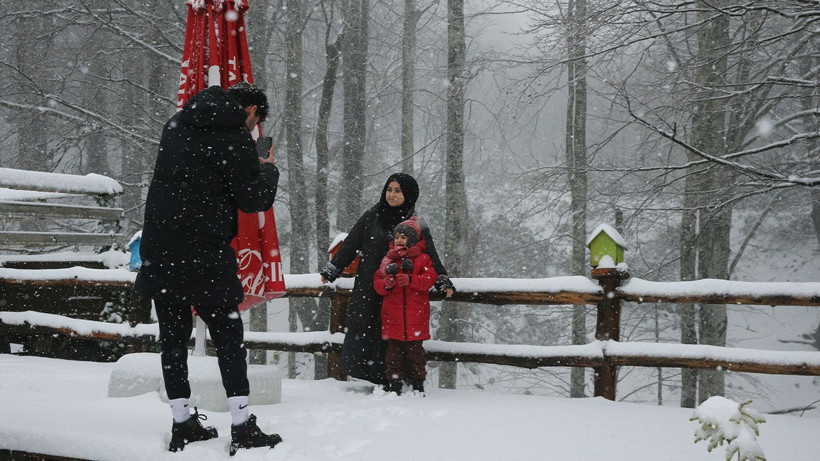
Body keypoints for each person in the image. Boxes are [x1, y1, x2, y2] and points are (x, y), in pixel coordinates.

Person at [134, 82, 282, 455]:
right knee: (229, 338)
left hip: (161, 248)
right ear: (250, 110)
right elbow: (253, 200)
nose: (254, 131)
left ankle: (181, 423)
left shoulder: (177, 123)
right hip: (205, 254)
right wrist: (266, 168)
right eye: (256, 123)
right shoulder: (234, 136)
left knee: (172, 339)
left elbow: (186, 182)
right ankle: (241, 425)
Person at [319, 172, 455, 385]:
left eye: (398, 191)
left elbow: (430, 254)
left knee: (394, 335)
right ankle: (371, 376)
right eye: (389, 190)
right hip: (370, 285)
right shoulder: (373, 215)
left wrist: (442, 280)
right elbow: (351, 244)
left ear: (409, 194)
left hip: (400, 291)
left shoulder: (416, 223)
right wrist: (332, 269)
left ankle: (394, 378)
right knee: (367, 329)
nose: (392, 195)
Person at [374, 217, 437, 395]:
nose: (399, 239)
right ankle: (395, 384)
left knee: (416, 355)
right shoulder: (387, 261)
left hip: (415, 319)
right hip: (393, 319)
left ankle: (417, 383)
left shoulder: (423, 259)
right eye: (397, 236)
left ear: (413, 239)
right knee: (392, 356)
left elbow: (429, 279)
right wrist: (387, 282)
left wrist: (411, 280)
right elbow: (377, 283)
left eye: (404, 236)